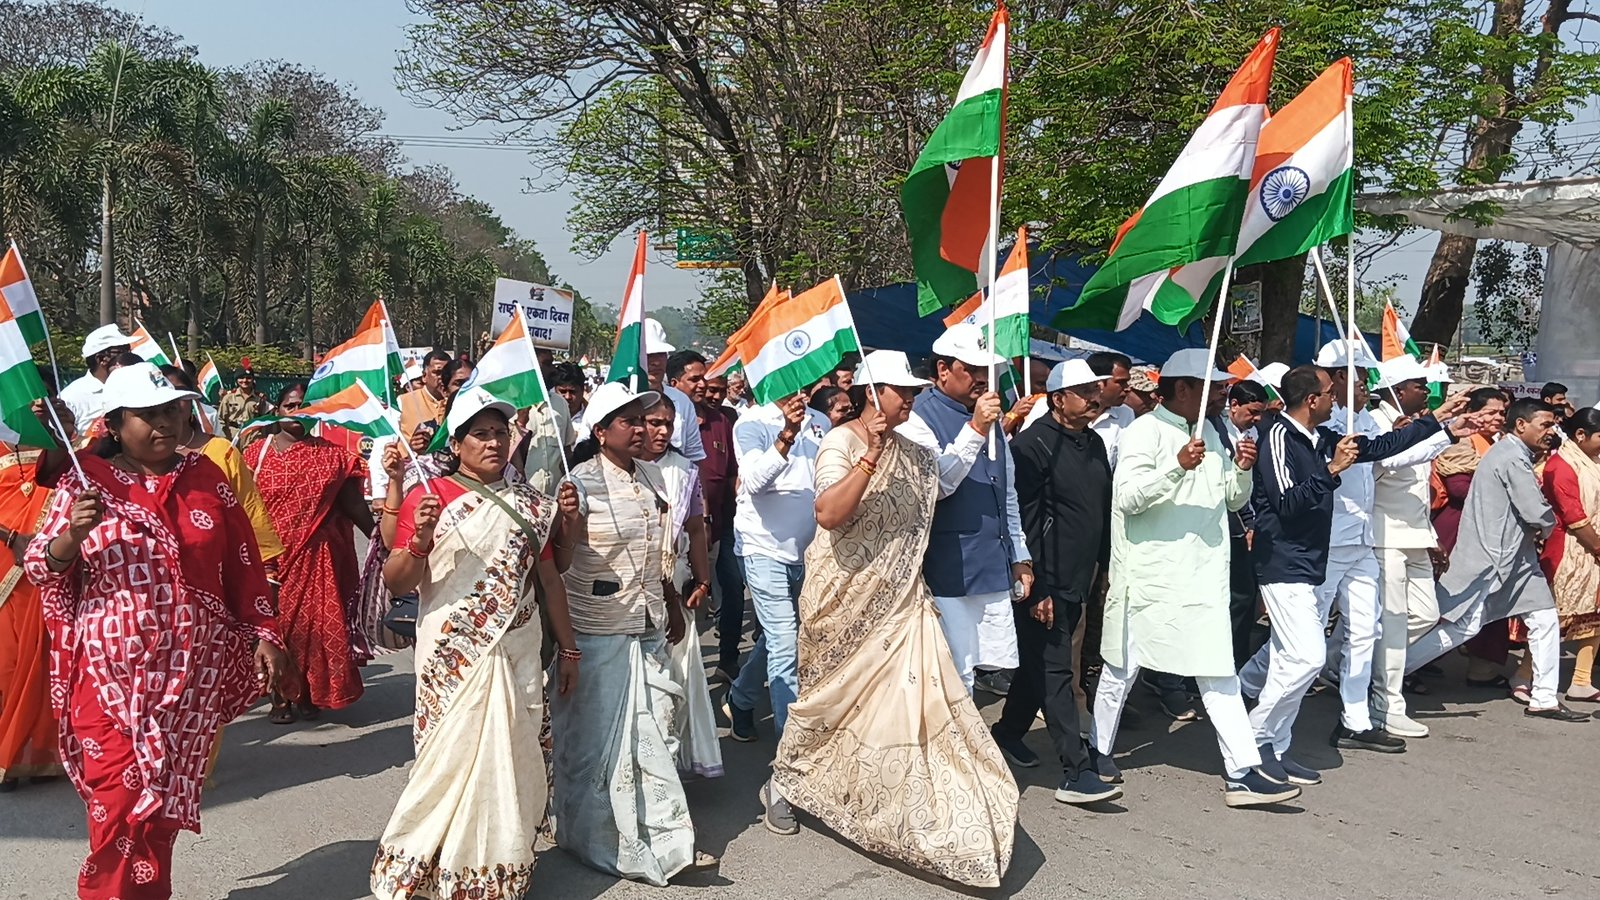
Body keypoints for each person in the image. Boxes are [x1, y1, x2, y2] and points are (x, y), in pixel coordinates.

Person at [25, 362, 288, 900]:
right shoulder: (84, 484)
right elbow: (39, 567)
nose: (164, 423)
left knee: (159, 811)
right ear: (116, 424)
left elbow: (242, 564)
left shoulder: (207, 478)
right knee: (118, 803)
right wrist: (72, 536)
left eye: (171, 410)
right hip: (105, 679)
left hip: (186, 681)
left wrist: (266, 632)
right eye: (147, 414)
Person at [772, 351, 1018, 885]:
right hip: (841, 600)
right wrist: (871, 457)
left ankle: (887, 803)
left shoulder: (917, 448)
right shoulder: (840, 442)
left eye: (910, 390)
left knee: (914, 706)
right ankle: (786, 783)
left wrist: (977, 429)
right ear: (869, 392)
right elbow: (830, 514)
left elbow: (944, 483)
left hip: (902, 601)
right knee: (827, 704)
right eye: (898, 391)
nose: (909, 398)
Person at [371, 387, 581, 900]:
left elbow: (553, 577)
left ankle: (497, 867)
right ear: (458, 443)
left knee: (511, 754)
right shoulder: (431, 496)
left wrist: (570, 648)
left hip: (518, 648)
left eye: (501, 433)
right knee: (451, 761)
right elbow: (398, 582)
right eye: (480, 434)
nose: (493, 443)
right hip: (453, 653)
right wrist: (418, 539)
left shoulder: (535, 504)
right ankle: (425, 863)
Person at [1089, 349, 1296, 808]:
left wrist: (1241, 469)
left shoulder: (1213, 433)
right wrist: (1176, 466)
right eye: (1216, 387)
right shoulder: (1144, 431)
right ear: (1183, 389)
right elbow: (1127, 499)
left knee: (1218, 673)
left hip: (1203, 579)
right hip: (1150, 578)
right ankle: (1097, 748)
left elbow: (1230, 498)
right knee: (1121, 669)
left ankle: (1242, 771)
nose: (1225, 394)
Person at [1246, 360, 1468, 784]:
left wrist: (1435, 423)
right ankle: (1254, 742)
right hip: (1286, 561)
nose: (1337, 398)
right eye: (1331, 393)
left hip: (1314, 558)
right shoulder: (1278, 435)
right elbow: (1287, 503)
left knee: (1306, 657)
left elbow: (1382, 447)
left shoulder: (1321, 436)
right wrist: (1332, 471)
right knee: (1306, 657)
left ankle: (1275, 745)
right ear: (1312, 400)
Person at [553, 382, 716, 883]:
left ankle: (664, 838)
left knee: (655, 729)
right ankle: (596, 838)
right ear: (601, 432)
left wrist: (669, 600)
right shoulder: (577, 483)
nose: (644, 428)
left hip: (645, 622)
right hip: (598, 628)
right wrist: (568, 521)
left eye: (645, 420)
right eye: (630, 421)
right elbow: (560, 558)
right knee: (599, 740)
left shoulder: (650, 478)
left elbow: (658, 549)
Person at [1406, 399, 1589, 722]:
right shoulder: (1510, 458)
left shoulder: (1510, 454)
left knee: (1543, 619)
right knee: (1464, 626)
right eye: (1545, 425)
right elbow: (1534, 510)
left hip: (1514, 560)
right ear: (1521, 426)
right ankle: (1390, 672)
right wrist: (1548, 525)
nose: (1551, 431)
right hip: (1493, 560)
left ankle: (1544, 697)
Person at [991, 358, 1122, 805]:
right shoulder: (1032, 446)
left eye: (1096, 391)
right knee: (1055, 669)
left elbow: (1099, 512)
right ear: (1057, 399)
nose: (1094, 398)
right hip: (1043, 580)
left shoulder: (1095, 443)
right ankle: (1075, 769)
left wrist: (1105, 568)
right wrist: (1038, 584)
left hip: (1081, 575)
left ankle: (1007, 732)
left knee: (1037, 666)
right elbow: (1021, 520)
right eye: (1084, 392)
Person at [899, 322, 1030, 692]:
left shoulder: (987, 416)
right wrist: (975, 428)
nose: (982, 380)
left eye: (987, 372)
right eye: (971, 370)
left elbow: (1007, 492)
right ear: (943, 370)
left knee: (977, 666)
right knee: (951, 675)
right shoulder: (917, 417)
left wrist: (1020, 555)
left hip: (990, 563)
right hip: (946, 565)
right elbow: (937, 485)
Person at [723, 380, 830, 834]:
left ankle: (742, 697)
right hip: (762, 549)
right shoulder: (751, 423)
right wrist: (785, 435)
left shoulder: (822, 423)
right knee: (787, 644)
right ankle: (787, 776)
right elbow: (753, 481)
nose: (805, 384)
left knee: (778, 638)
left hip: (809, 553)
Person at [244, 383, 376, 723]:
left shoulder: (332, 458)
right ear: (277, 410)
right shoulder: (253, 455)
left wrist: (380, 539)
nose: (298, 412)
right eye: (291, 406)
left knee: (311, 631)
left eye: (304, 406)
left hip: (314, 558)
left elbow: (353, 504)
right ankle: (279, 697)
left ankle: (305, 694)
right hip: (268, 559)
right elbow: (239, 507)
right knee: (276, 628)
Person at [1369, 357, 1462, 739]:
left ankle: (1353, 665)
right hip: (1385, 534)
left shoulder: (1418, 422)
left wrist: (1430, 536)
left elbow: (1419, 490)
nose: (1426, 390)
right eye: (1419, 384)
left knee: (1424, 615)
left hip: (1415, 535)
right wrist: (1444, 433)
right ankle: (1385, 702)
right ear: (1397, 389)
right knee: (1391, 622)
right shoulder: (1375, 423)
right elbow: (1390, 461)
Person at [636, 394, 721, 778]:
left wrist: (703, 580)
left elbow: (695, 528)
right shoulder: (625, 468)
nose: (662, 430)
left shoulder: (683, 470)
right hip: (633, 593)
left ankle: (670, 768)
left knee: (677, 679)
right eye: (654, 422)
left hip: (677, 582)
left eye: (668, 423)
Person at [0, 387, 75, 793]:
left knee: (34, 662)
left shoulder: (56, 445)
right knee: (6, 664)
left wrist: (60, 429)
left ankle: (25, 754)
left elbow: (67, 484)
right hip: (6, 558)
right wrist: (10, 536)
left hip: (44, 564)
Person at [1507, 406, 1600, 702]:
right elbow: (1573, 515)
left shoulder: (1592, 461)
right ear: (1581, 435)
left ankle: (1581, 681)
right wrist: (1597, 547)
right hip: (1566, 550)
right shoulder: (1561, 465)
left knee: (1594, 617)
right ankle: (1523, 675)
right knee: (1551, 619)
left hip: (1592, 549)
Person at [1431, 387, 1513, 686]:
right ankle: (1414, 662)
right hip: (1457, 530)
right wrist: (1505, 489)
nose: (1497, 417)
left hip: (1492, 531)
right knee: (1444, 599)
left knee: (1491, 599)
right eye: (1490, 411)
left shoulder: (1501, 442)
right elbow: (1458, 489)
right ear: (1473, 412)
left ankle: (1483, 668)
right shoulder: (1461, 442)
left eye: (1501, 412)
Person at [1223, 379, 1271, 667]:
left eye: (1260, 413)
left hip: (1250, 527)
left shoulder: (1261, 434)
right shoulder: (1214, 432)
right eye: (1252, 411)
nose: (1257, 418)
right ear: (1234, 405)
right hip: (1226, 525)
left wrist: (1255, 523)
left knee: (1243, 600)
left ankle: (1236, 663)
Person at [645, 320, 705, 462]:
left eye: (660, 354)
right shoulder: (612, 397)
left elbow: (694, 456)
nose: (656, 362)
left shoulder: (682, 402)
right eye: (649, 355)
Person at [521, 348, 578, 496]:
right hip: (520, 499)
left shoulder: (560, 404)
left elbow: (567, 450)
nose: (553, 370)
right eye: (547, 364)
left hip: (553, 500)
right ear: (530, 366)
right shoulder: (511, 406)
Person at [58, 324, 133, 427]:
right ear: (101, 359)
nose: (129, 357)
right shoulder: (71, 398)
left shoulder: (135, 387)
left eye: (129, 351)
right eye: (122, 352)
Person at [1087, 351, 1135, 469]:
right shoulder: (1049, 408)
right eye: (1121, 382)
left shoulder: (1126, 414)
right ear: (1098, 383)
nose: (1128, 388)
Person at [398, 349, 451, 445]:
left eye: (446, 373)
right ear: (424, 376)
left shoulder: (459, 403)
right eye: (437, 373)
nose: (442, 378)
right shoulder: (403, 402)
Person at [216, 361, 272, 440]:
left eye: (248, 378)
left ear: (253, 380)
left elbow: (265, 419)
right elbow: (220, 419)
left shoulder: (260, 399)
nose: (245, 380)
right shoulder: (229, 398)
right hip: (232, 435)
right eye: (241, 378)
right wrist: (223, 435)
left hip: (252, 436)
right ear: (236, 380)